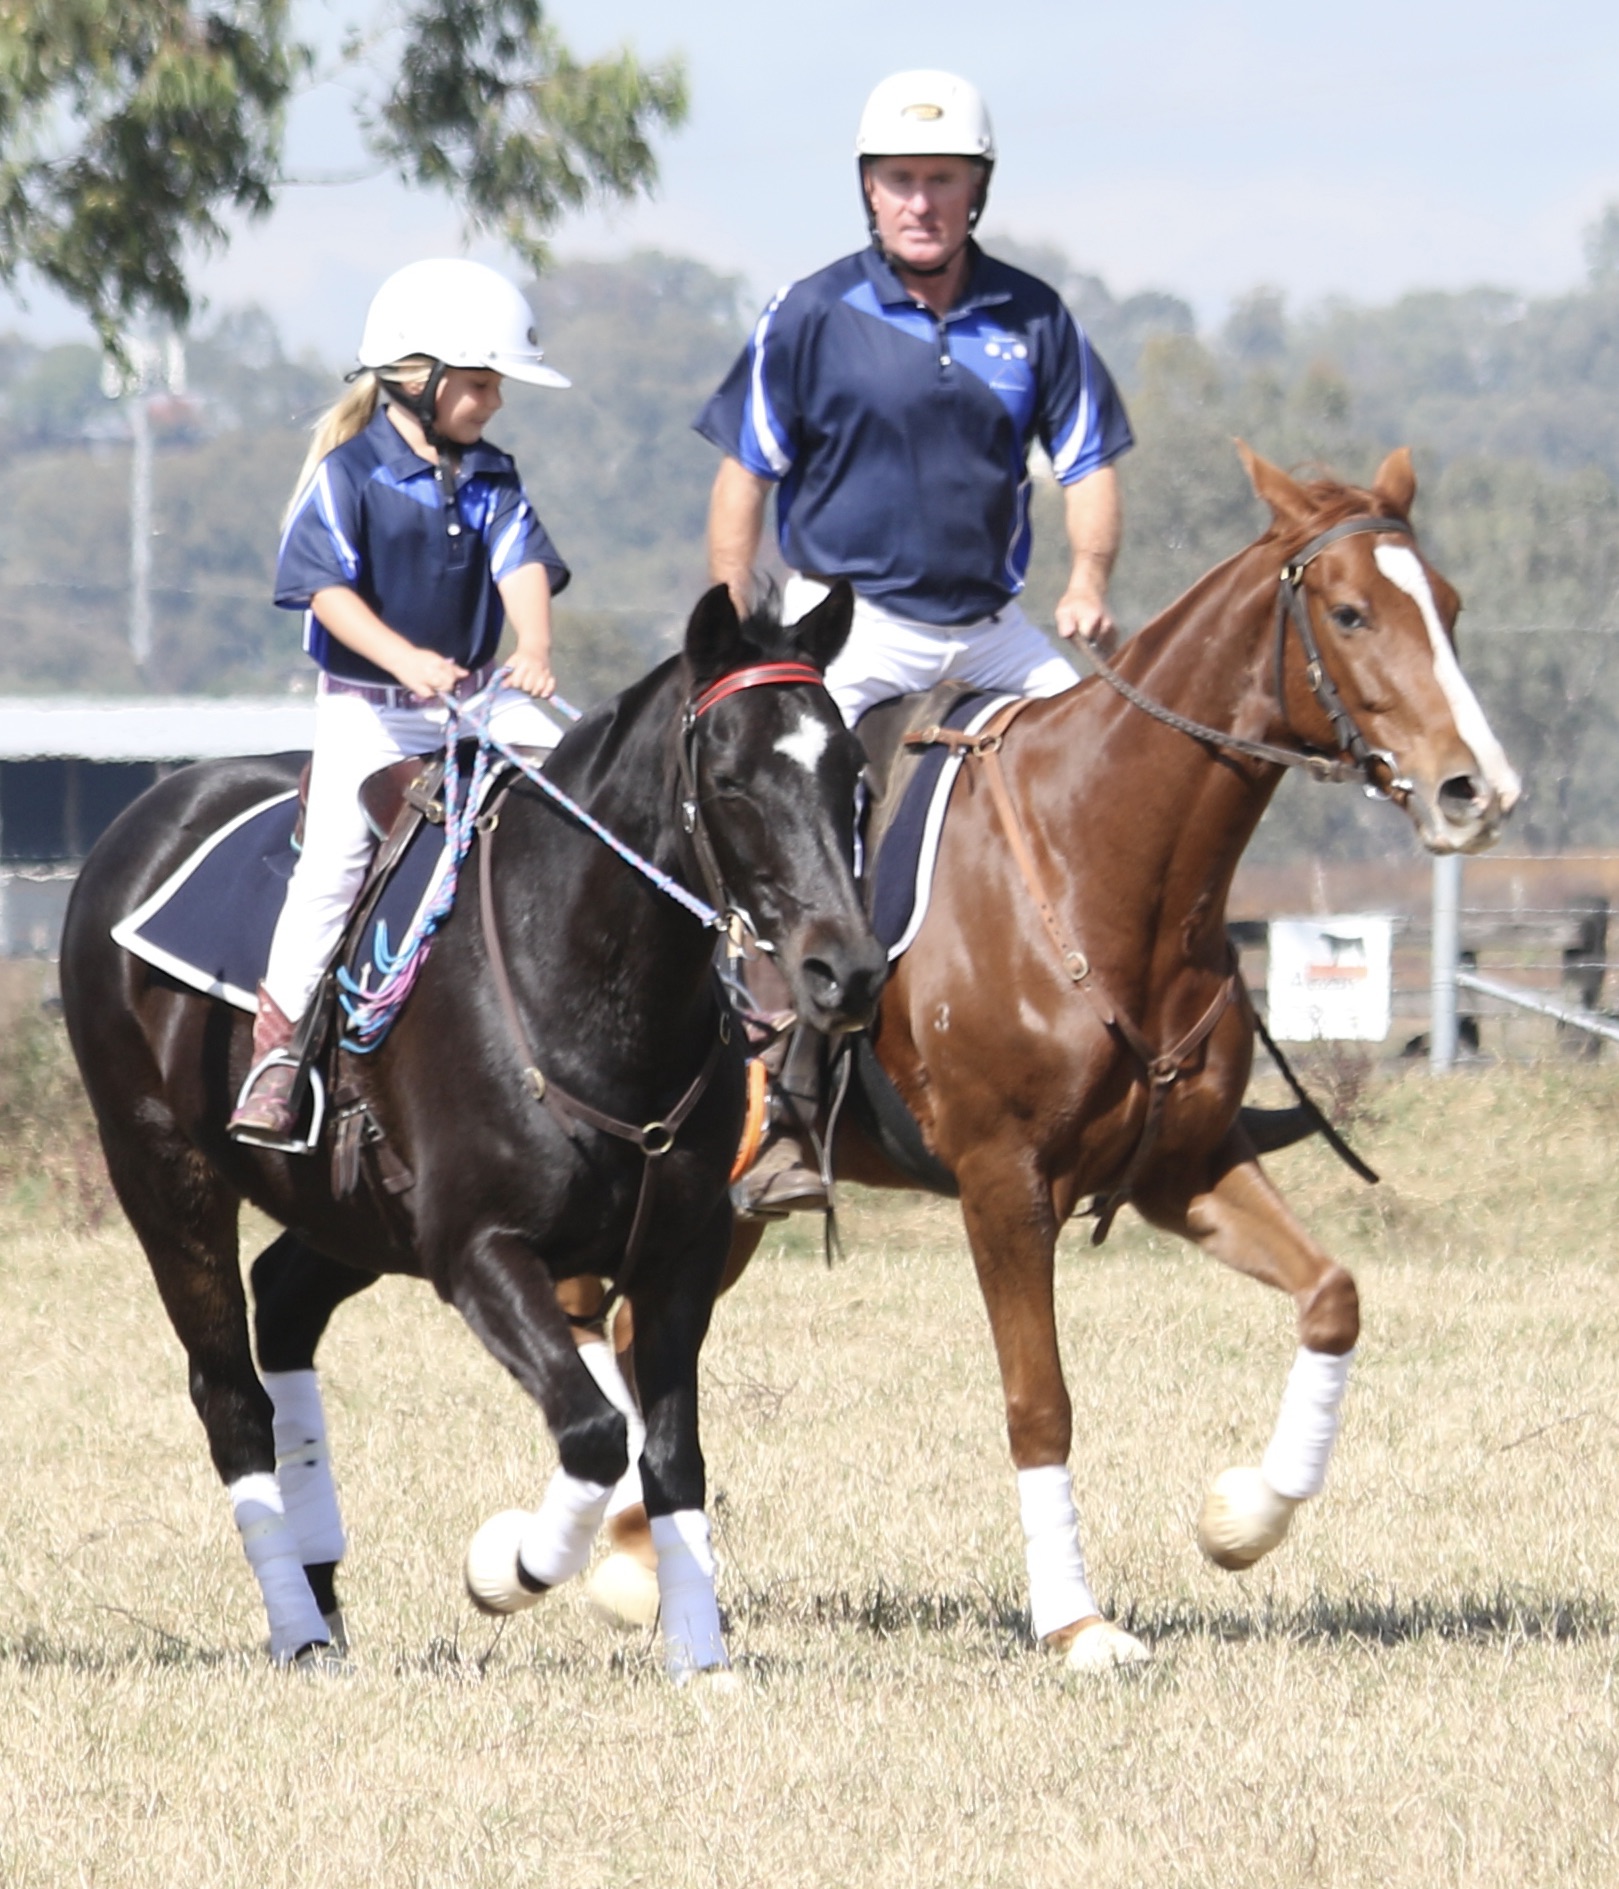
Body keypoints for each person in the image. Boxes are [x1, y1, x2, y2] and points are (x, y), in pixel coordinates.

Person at [695, 68, 1135, 1212]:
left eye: (941, 179)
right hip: (850, 628)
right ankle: (790, 1106)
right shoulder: (809, 313)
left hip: (990, 630)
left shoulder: (1034, 317)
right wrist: (735, 632)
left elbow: (1087, 463)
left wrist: (1087, 579)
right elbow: (743, 475)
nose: (919, 201)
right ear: (867, 189)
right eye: (898, 179)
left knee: (1116, 773)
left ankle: (1148, 1062)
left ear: (976, 189)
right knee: (808, 822)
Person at [229, 257, 572, 1146]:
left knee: (575, 798)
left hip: (477, 699)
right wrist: (403, 658)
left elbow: (521, 564)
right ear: (419, 377)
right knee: (333, 868)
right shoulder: (347, 475)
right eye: (482, 382)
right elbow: (325, 594)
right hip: (369, 710)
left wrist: (533, 647)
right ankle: (278, 1056)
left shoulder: (493, 474)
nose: (495, 399)